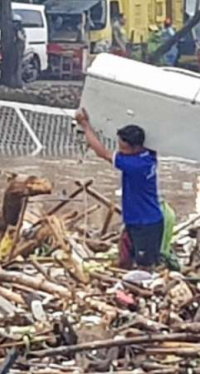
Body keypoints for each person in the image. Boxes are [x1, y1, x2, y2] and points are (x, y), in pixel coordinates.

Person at [75, 109, 164, 270]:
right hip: (134, 220)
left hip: (146, 223)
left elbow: (102, 152)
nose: (121, 151)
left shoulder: (134, 165)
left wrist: (85, 125)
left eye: (123, 148)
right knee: (124, 259)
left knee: (144, 265)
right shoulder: (149, 155)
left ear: (136, 147)